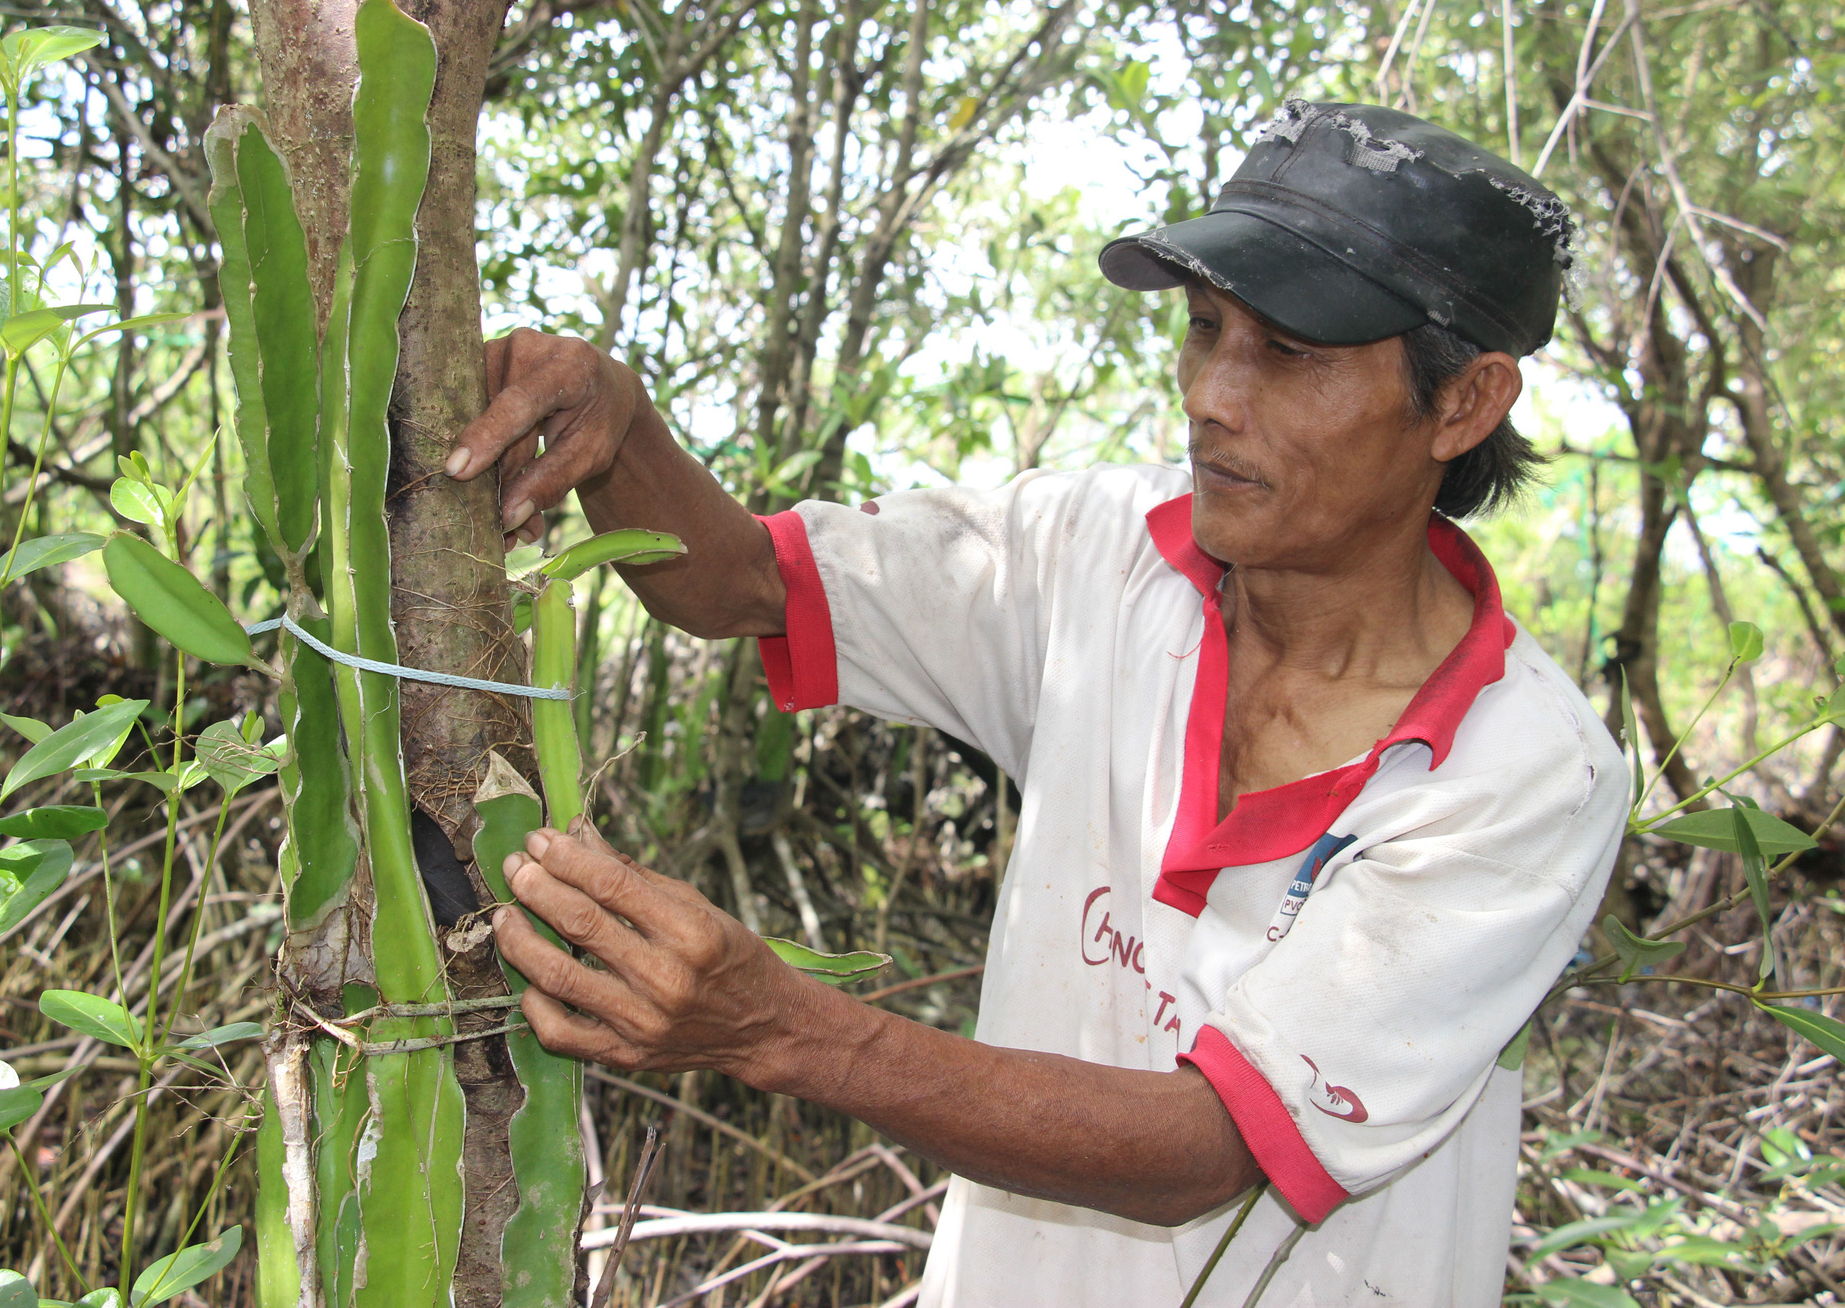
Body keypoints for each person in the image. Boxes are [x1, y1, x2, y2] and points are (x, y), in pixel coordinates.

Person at [445, 100, 1626, 1306]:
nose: (1213, 394)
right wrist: (616, 417)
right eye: (1205, 328)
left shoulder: (1525, 772)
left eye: (1290, 354)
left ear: (1465, 403)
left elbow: (1206, 1143)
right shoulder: (1099, 555)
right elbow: (743, 580)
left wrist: (780, 1026)